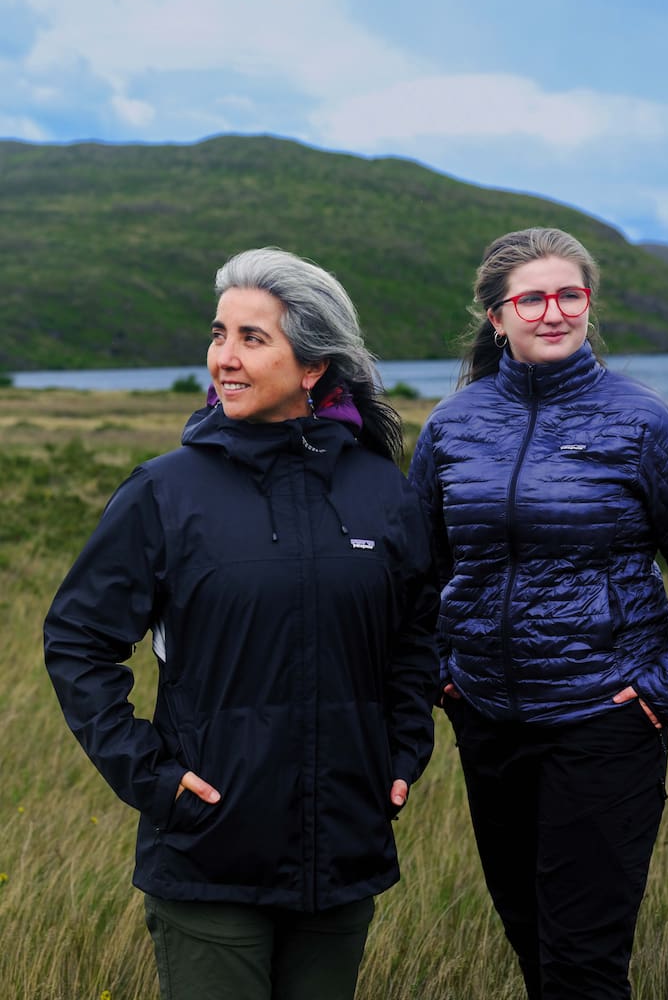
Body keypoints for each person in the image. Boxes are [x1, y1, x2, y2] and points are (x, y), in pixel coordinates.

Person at [44, 247, 440, 1000]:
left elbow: (416, 632)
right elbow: (77, 641)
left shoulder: (381, 491)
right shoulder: (165, 492)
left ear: (315, 366)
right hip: (209, 855)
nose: (224, 357)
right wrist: (155, 779)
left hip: (344, 855)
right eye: (219, 334)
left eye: (252, 339)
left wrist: (402, 749)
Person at [408, 227, 668, 999]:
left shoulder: (646, 422)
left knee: (583, 962)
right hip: (487, 717)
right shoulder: (454, 427)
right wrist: (441, 674)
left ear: (588, 304)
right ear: (498, 315)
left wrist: (667, 689)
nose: (552, 312)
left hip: (606, 718)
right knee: (529, 938)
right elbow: (419, 569)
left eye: (570, 295)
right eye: (532, 298)